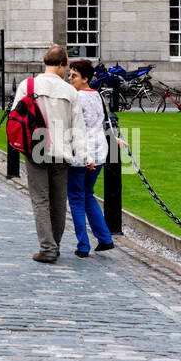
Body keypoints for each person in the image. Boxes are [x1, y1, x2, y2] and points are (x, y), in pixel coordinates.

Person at [12, 44, 93, 264]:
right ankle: (53, 245)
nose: (67, 72)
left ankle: (48, 248)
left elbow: (14, 117)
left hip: (36, 147)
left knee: (40, 200)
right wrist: (86, 156)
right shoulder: (69, 91)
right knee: (58, 201)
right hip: (62, 149)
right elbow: (78, 127)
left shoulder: (28, 85)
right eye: (66, 67)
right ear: (60, 65)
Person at [65, 59, 115, 258]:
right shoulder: (98, 96)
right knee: (87, 194)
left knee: (76, 198)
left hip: (82, 153)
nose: (70, 79)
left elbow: (75, 128)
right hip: (99, 151)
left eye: (74, 76)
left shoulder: (76, 98)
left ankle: (83, 245)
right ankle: (105, 238)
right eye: (70, 75)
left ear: (85, 78)